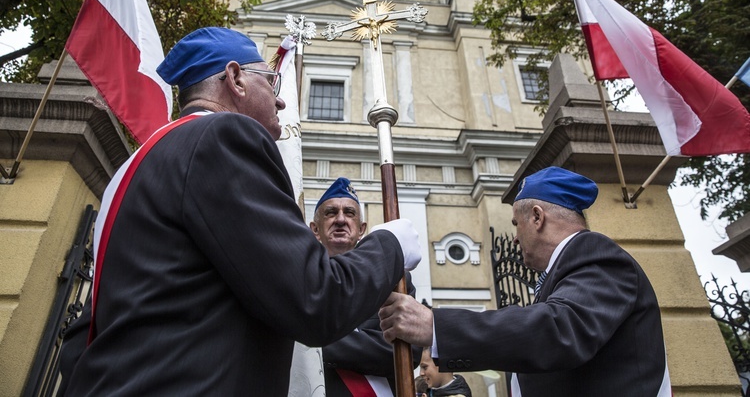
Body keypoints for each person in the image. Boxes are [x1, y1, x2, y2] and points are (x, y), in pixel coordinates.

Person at [61, 27, 421, 395]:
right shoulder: (225, 136)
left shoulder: (137, 164)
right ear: (235, 78)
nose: (280, 102)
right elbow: (315, 299)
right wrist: (389, 244)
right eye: (271, 81)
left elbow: (80, 339)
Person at [379, 166, 671, 396]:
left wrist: (435, 326)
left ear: (537, 217)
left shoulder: (596, 254)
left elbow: (557, 329)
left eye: (516, 225)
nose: (515, 238)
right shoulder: (567, 271)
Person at [310, 177, 420, 396]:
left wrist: (312, 341)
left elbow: (406, 350)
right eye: (331, 213)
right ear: (315, 229)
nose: (340, 219)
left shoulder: (395, 280)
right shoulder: (301, 276)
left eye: (349, 213)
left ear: (361, 229)